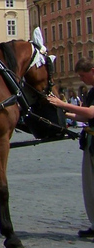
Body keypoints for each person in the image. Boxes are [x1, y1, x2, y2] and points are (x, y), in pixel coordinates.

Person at [48, 57, 94, 238]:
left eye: (83, 76)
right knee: (89, 186)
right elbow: (85, 117)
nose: (82, 80)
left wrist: (62, 104)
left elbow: (91, 112)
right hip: (90, 142)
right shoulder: (91, 92)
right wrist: (63, 113)